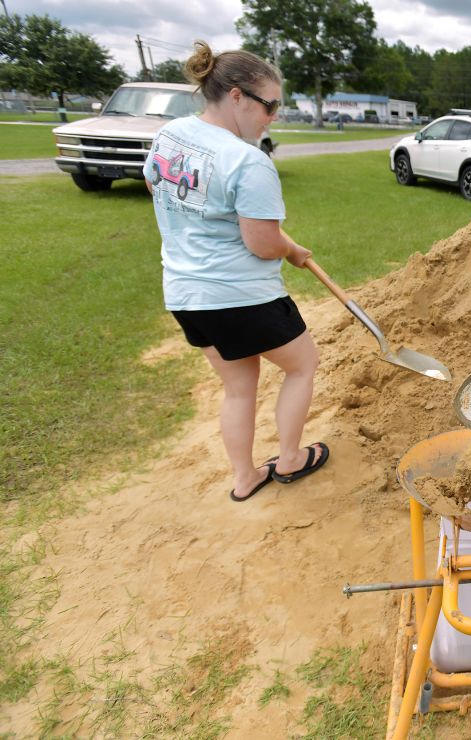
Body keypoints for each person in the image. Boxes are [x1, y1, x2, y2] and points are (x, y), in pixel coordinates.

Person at [144, 41, 329, 503]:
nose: (274, 117)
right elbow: (262, 243)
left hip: (185, 295)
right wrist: (289, 248)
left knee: (239, 387)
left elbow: (154, 182)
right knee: (303, 365)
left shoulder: (171, 134)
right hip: (243, 297)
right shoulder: (248, 160)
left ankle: (245, 478)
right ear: (237, 97)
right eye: (270, 106)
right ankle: (288, 459)